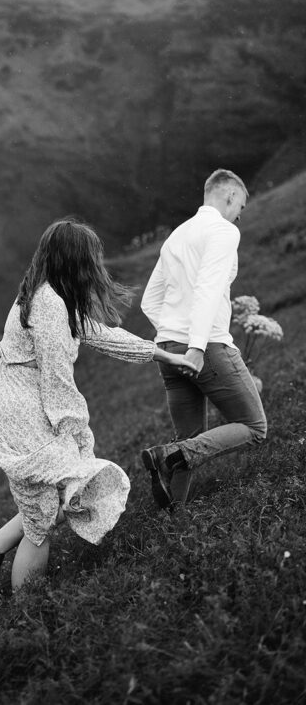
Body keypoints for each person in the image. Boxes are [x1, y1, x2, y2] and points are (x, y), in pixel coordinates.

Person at [0, 219, 199, 598]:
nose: (96, 266)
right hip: (24, 415)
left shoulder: (46, 294)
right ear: (76, 260)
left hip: (16, 408)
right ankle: (25, 612)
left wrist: (161, 354)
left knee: (54, 496)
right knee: (42, 519)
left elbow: (103, 335)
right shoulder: (51, 305)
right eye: (92, 258)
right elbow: (56, 379)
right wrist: (75, 431)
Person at [139, 169, 267, 509]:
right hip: (205, 347)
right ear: (228, 196)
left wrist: (174, 335)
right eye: (241, 203)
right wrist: (195, 345)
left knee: (189, 438)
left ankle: (171, 516)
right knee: (254, 427)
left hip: (168, 350)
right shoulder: (223, 231)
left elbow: (149, 302)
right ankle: (171, 455)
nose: (241, 213)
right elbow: (208, 288)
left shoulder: (176, 237)